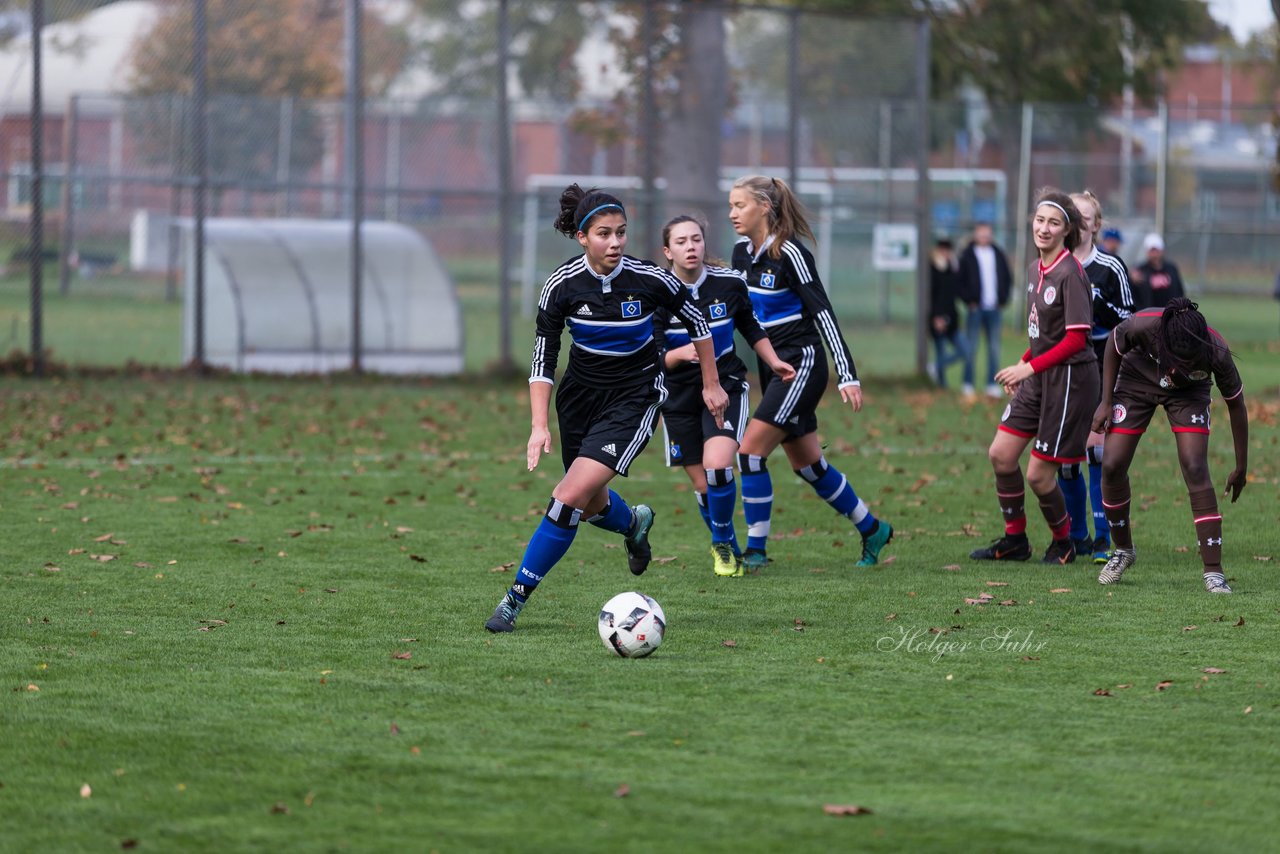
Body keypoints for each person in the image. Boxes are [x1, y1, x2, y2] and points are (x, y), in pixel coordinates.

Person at [484, 184, 728, 632]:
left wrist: (711, 383)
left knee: (567, 496)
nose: (615, 242)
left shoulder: (652, 279)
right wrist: (539, 426)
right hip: (578, 397)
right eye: (604, 234)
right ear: (582, 237)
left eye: (621, 233)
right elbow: (543, 359)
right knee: (592, 501)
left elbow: (698, 323)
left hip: (634, 397)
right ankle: (633, 523)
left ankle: (513, 599)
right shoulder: (561, 286)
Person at [728, 175, 893, 570]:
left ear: (764, 208)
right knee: (808, 464)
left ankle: (756, 550)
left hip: (801, 364)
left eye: (740, 205)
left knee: (749, 453)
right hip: (773, 367)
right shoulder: (740, 253)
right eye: (731, 206)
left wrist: (847, 373)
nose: (732, 213)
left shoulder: (791, 254)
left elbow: (823, 313)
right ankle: (873, 529)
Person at [654, 215, 796, 577]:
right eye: (682, 242)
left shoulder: (729, 284)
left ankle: (721, 544)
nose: (691, 247)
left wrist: (774, 360)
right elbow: (649, 353)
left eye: (696, 240)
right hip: (677, 396)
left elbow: (750, 326)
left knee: (718, 467)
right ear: (668, 251)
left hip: (725, 385)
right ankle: (728, 544)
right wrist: (677, 355)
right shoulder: (655, 292)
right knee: (703, 485)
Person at [970, 188, 1099, 565]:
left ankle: (1065, 543)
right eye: (1040, 220)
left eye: (1053, 223)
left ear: (1067, 230)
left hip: (1071, 382)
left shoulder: (1071, 273)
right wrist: (1024, 363)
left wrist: (1028, 367)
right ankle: (1015, 541)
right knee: (1001, 455)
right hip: (1040, 376)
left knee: (1039, 476)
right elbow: (1045, 336)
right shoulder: (1034, 269)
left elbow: (1076, 338)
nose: (1044, 228)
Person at [1092, 298, 1248, 593]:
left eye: (1190, 363)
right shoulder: (1144, 325)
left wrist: (1241, 466)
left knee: (1194, 464)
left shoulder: (1216, 351)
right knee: (1111, 463)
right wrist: (1106, 400)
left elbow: (1237, 405)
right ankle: (1123, 550)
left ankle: (1213, 572)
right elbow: (1114, 342)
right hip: (1137, 379)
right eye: (1179, 360)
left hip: (1188, 395)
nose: (1180, 369)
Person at [1056, 190, 1135, 564]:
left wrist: (1095, 300)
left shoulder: (1111, 267)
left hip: (1102, 366)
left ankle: (1105, 537)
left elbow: (1129, 322)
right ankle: (1076, 536)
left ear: (1096, 224)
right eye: (1074, 214)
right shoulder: (1054, 264)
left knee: (1098, 451)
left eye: (1086, 216)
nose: (1080, 221)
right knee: (1066, 455)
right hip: (1064, 370)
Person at [958, 221, 1014, 397]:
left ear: (991, 235)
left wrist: (1003, 299)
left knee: (994, 348)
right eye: (981, 233)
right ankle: (967, 383)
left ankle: (992, 383)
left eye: (987, 233)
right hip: (975, 309)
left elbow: (1007, 277)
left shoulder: (998, 254)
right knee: (971, 347)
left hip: (994, 309)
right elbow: (960, 281)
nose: (984, 236)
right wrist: (969, 301)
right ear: (976, 234)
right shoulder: (967, 255)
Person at [928, 236, 971, 388]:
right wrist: (936, 317)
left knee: (965, 350)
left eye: (948, 250)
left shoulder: (953, 268)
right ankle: (941, 387)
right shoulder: (932, 269)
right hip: (937, 318)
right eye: (942, 250)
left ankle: (934, 366)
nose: (945, 253)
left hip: (951, 319)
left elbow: (955, 293)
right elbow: (932, 296)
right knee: (940, 350)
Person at [1133, 233, 1185, 308]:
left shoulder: (1171, 268)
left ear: (1162, 250)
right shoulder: (1140, 271)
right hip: (1148, 315)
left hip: (1170, 314)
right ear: (1147, 252)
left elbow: (1180, 291)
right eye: (1151, 251)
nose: (1154, 254)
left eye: (1156, 250)